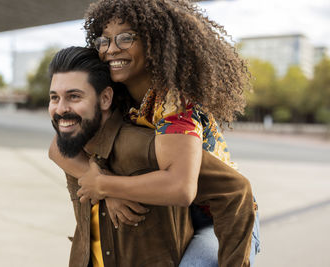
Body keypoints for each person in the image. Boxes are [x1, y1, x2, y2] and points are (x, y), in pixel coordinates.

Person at [52, 0, 260, 266]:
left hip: (219, 215)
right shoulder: (117, 97)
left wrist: (105, 185)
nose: (112, 48)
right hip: (173, 214)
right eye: (104, 40)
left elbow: (181, 187)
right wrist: (107, 189)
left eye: (126, 38)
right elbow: (58, 146)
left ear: (154, 41)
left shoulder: (175, 105)